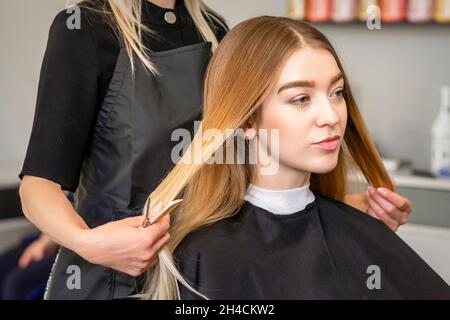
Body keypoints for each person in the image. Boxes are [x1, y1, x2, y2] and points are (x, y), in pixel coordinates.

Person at [19, 0, 412, 299]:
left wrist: (336, 213)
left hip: (197, 254)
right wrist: (86, 242)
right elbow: (38, 184)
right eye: (302, 98)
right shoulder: (86, 28)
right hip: (110, 275)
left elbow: (238, 157)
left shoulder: (213, 30)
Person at [139, 17, 450, 299]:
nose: (330, 116)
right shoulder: (203, 254)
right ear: (247, 122)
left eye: (337, 92)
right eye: (301, 99)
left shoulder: (363, 231)